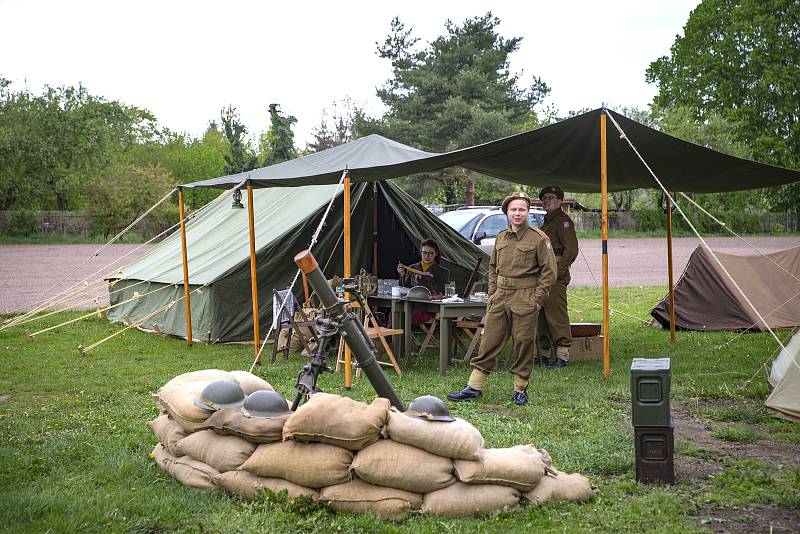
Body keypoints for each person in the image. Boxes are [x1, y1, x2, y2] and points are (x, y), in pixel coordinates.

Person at [447, 192, 556, 406]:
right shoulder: (500, 237)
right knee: (488, 342)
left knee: (523, 343)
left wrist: (537, 300)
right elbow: (493, 268)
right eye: (513, 209)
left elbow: (549, 273)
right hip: (500, 298)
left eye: (522, 209)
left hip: (525, 298)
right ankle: (474, 387)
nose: (517, 213)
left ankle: (520, 389)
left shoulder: (539, 238)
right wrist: (493, 294)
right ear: (507, 212)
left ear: (527, 212)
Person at [536, 185, 579, 368]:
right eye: (544, 197)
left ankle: (562, 355)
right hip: (543, 273)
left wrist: (557, 272)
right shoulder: (547, 222)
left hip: (554, 274)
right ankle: (544, 354)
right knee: (542, 316)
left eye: (551, 197)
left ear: (560, 201)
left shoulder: (563, 221)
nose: (547, 200)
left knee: (556, 314)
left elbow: (571, 251)